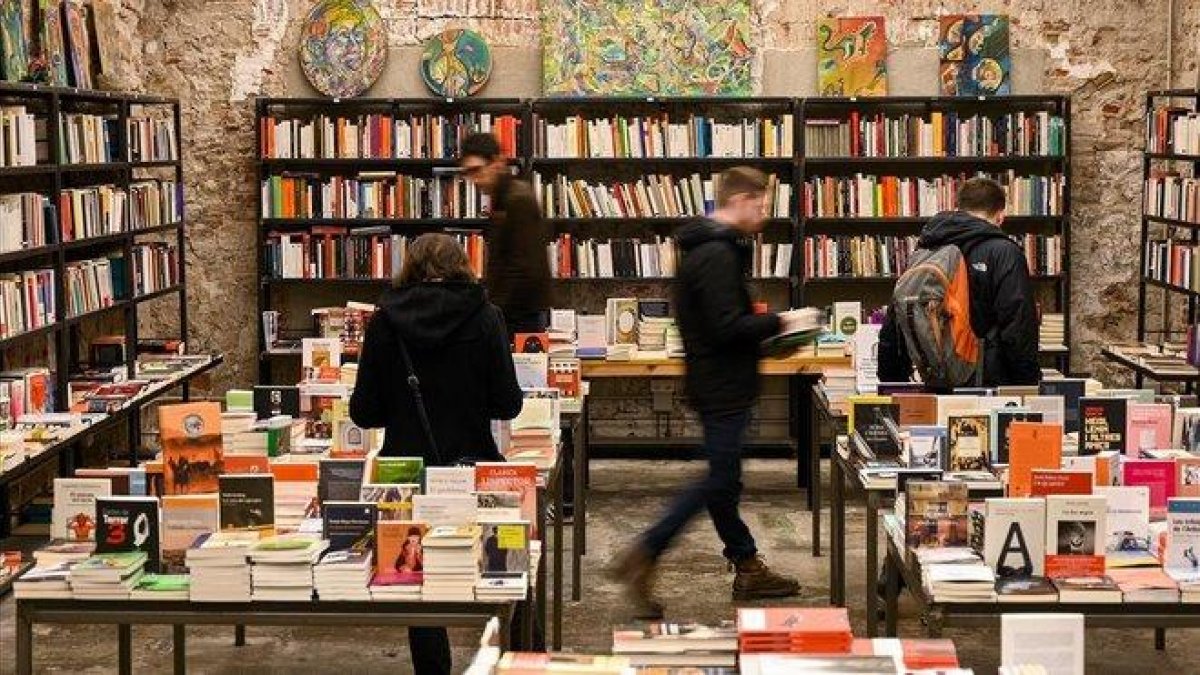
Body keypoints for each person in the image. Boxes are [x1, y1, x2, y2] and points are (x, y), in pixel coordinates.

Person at [612, 167, 809, 617]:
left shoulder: (706, 250)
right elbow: (725, 327)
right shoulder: (717, 255)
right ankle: (647, 550)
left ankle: (746, 563)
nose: (762, 215)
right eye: (759, 206)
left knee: (726, 480)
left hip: (715, 380)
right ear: (739, 200)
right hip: (723, 384)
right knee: (719, 480)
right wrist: (783, 322)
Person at [350, 233, 523, 675]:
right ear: (464, 265)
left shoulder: (386, 321)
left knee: (418, 580)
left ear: (409, 268)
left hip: (407, 472)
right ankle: (509, 659)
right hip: (472, 467)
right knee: (502, 570)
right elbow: (508, 404)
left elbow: (364, 412)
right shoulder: (486, 317)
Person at [877, 176, 1041, 387]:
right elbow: (1018, 326)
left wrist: (892, 385)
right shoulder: (1004, 253)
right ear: (1000, 216)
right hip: (988, 389)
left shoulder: (926, 251)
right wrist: (1027, 386)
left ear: (959, 208)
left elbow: (896, 321)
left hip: (936, 382)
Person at [459, 132, 552, 337]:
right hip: (513, 313)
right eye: (468, 173)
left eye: (477, 170)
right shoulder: (503, 198)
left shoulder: (517, 198)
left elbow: (523, 267)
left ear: (498, 162)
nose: (474, 179)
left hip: (519, 316)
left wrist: (492, 311)